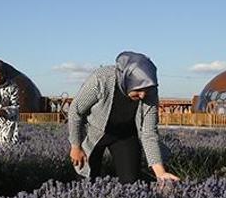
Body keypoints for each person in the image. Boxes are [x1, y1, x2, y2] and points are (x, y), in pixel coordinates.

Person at [68, 51, 180, 184]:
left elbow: (149, 133)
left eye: (147, 90)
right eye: (138, 90)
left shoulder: (150, 91)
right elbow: (75, 111)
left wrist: (160, 173)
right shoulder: (102, 79)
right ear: (126, 80)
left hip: (125, 135)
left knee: (131, 182)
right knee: (86, 177)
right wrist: (76, 146)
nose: (143, 95)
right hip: (95, 132)